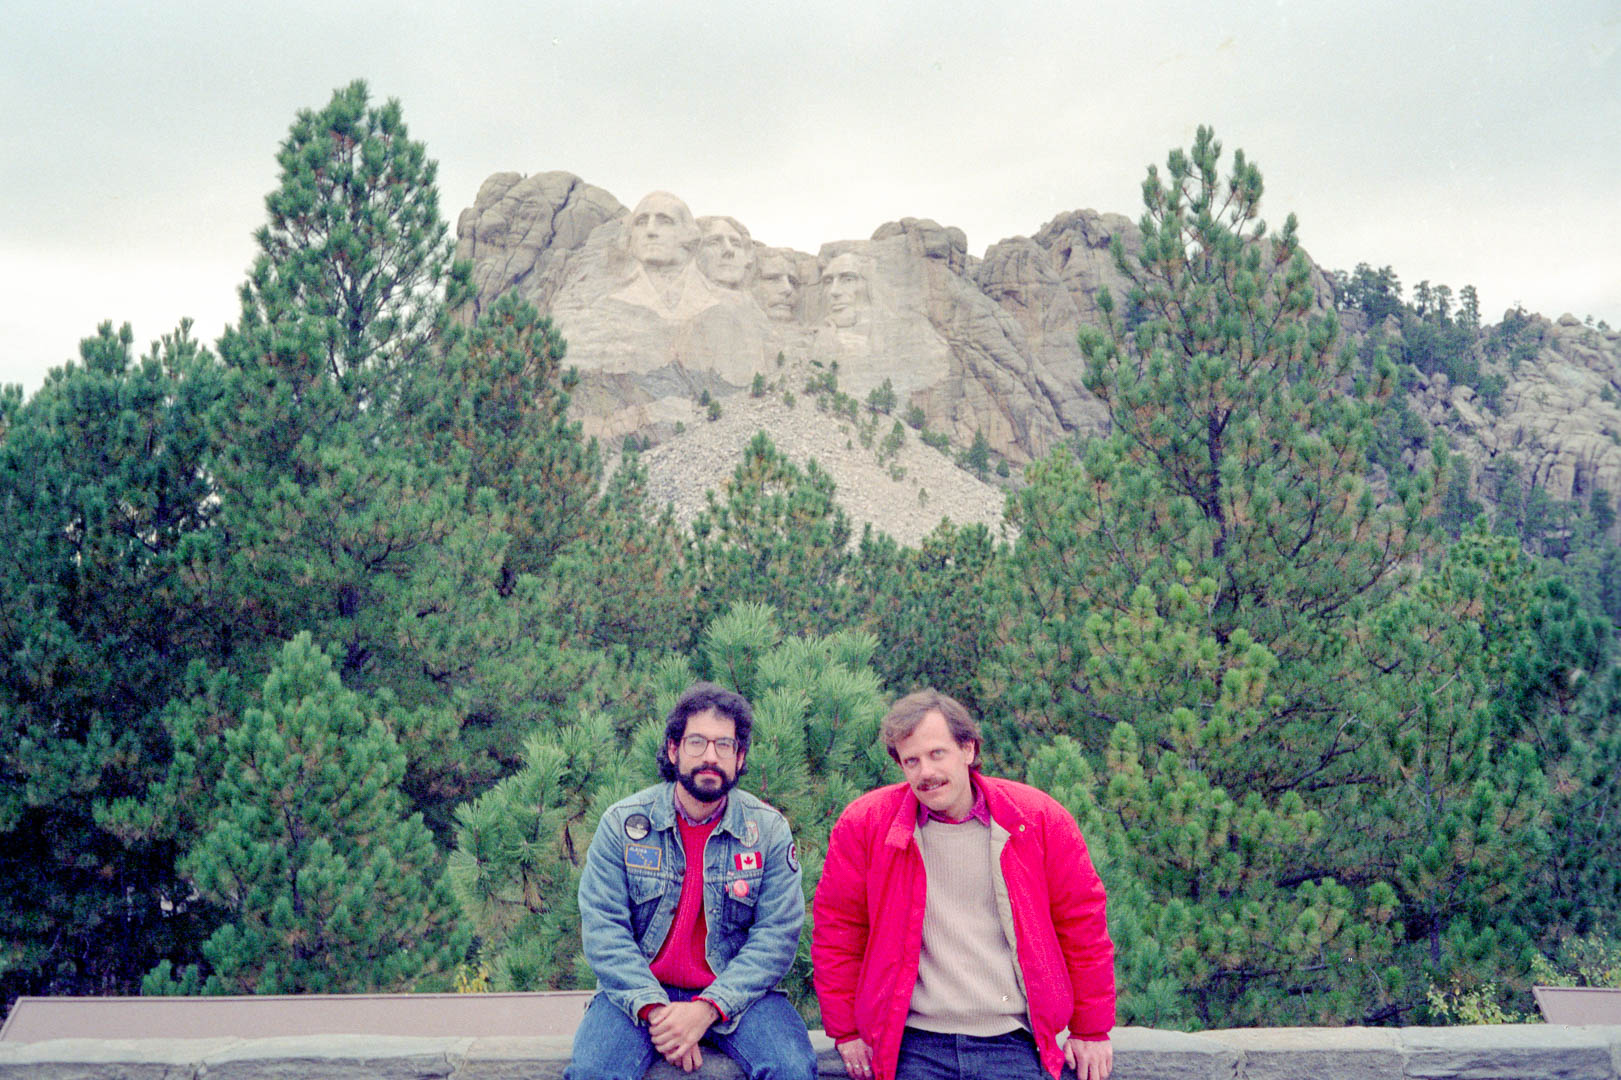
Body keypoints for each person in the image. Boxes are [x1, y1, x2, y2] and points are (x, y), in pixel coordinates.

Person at [812, 690, 1115, 1080]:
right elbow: (838, 932)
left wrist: (1091, 1030)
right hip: (911, 1043)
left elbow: (1082, 925)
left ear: (968, 749)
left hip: (1013, 1039)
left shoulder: (1036, 819)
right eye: (912, 761)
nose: (926, 772)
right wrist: (847, 1031)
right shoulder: (865, 825)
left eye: (937, 753)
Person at [565, 682, 817, 1080]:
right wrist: (657, 1012)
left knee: (792, 1069)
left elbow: (777, 937)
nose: (710, 757)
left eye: (724, 745)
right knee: (593, 1071)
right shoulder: (622, 824)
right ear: (673, 749)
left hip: (739, 994)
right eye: (697, 742)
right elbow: (604, 930)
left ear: (740, 757)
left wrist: (706, 1009)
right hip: (638, 990)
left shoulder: (768, 831)